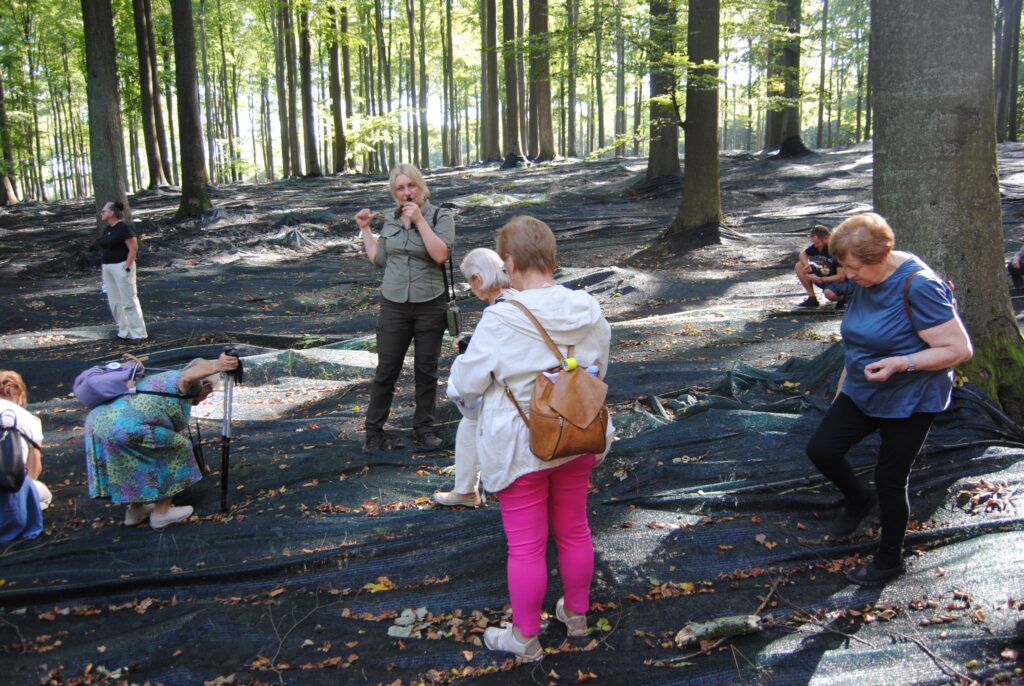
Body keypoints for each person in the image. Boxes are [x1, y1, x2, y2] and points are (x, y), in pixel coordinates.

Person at [448, 216, 612, 660]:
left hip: (522, 445)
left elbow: (465, 385)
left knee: (526, 545)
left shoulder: (502, 319)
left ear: (510, 263)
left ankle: (524, 638)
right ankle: (575, 615)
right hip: (577, 432)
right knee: (575, 529)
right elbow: (599, 368)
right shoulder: (589, 309)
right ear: (552, 258)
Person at [805, 213, 973, 586]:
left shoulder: (918, 286)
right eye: (843, 267)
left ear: (880, 257)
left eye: (851, 268)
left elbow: (959, 349)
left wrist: (903, 362)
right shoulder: (864, 275)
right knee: (822, 449)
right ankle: (858, 499)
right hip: (863, 387)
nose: (847, 276)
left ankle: (888, 559)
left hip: (911, 397)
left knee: (890, 478)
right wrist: (842, 386)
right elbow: (858, 339)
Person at [355, 163, 455, 453]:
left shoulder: (440, 216)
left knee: (427, 369)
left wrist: (420, 221)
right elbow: (379, 259)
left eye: (411, 185)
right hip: (394, 305)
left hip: (430, 303)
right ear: (394, 192)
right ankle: (374, 431)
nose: (406, 192)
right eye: (400, 188)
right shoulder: (389, 219)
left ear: (421, 186)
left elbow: (440, 254)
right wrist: (365, 231)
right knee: (387, 369)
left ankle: (424, 429)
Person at [84, 353, 239, 530]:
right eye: (209, 393)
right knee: (180, 447)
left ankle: (136, 510)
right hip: (124, 425)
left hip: (98, 423)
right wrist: (218, 365)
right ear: (207, 386)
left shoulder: (163, 380)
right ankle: (161, 513)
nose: (205, 398)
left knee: (136, 459)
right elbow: (188, 377)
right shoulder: (185, 382)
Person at [434, 248, 517, 508]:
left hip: (513, 394)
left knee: (471, 411)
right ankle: (465, 489)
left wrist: (465, 360)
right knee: (470, 424)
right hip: (518, 386)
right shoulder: (516, 299)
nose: (473, 290)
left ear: (479, 278)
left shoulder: (499, 312)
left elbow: (470, 383)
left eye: (471, 282)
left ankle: (473, 489)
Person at [0, 370, 48, 543]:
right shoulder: (28, 419)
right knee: (43, 494)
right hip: (8, 489)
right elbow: (33, 472)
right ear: (20, 395)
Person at [99, 200, 148, 342]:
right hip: (107, 267)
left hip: (121, 266)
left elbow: (133, 249)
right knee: (114, 301)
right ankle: (124, 331)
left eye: (104, 211)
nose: (101, 213)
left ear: (112, 213)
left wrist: (127, 266)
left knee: (128, 300)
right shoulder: (107, 229)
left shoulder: (124, 229)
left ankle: (138, 333)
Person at [796, 224, 847, 309]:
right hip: (826, 274)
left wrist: (820, 279)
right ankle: (812, 298)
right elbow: (802, 254)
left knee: (829, 294)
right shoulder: (820, 246)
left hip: (839, 281)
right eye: (814, 244)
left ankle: (845, 297)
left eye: (817, 243)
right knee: (799, 266)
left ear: (826, 238)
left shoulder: (837, 249)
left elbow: (841, 277)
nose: (815, 246)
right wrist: (807, 265)